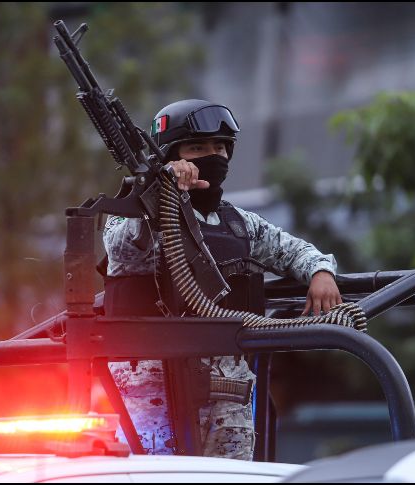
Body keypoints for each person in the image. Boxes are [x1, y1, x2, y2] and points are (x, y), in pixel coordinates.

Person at [103, 99, 341, 459]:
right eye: (197, 148)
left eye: (219, 147)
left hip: (227, 398)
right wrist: (159, 191)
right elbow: (123, 248)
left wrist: (321, 271)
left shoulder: (238, 223)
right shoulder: (135, 215)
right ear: (171, 155)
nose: (211, 156)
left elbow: (295, 251)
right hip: (152, 401)